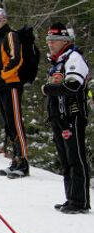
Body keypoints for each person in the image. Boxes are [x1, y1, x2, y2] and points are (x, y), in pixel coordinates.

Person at [41, 22, 91, 214]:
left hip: (73, 115)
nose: (50, 44)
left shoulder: (73, 57)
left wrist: (48, 89)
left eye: (54, 40)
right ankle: (71, 197)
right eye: (48, 40)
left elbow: (73, 86)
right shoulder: (57, 62)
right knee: (65, 159)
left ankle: (80, 201)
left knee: (75, 158)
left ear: (64, 41)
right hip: (59, 117)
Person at [0, 8, 29, 179]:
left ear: (4, 20)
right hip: (1, 87)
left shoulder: (11, 36)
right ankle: (15, 160)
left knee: (16, 123)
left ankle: (23, 162)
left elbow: (16, 58)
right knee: (9, 124)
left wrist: (5, 76)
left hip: (11, 85)